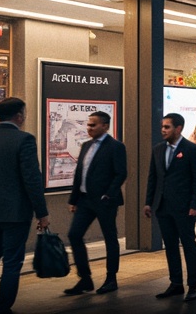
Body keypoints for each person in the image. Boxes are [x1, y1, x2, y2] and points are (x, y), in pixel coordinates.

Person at [0, 97, 50, 314]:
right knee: (12, 261)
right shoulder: (24, 140)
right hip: (15, 214)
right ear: (19, 116)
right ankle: (3, 309)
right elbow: (32, 179)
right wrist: (42, 212)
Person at [65, 110, 127, 296]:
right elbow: (79, 175)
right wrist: (73, 199)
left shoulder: (116, 146)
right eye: (88, 124)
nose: (89, 127)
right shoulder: (86, 146)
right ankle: (85, 278)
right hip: (84, 200)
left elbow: (121, 173)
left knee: (110, 238)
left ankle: (111, 278)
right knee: (74, 235)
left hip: (104, 201)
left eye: (93, 124)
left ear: (105, 126)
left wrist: (108, 194)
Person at [144, 112, 196, 300]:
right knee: (170, 245)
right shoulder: (158, 149)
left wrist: (195, 205)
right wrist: (148, 202)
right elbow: (153, 177)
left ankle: (193, 285)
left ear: (178, 128)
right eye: (162, 126)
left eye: (167, 127)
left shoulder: (192, 150)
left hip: (185, 208)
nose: (163, 130)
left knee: (188, 245)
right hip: (163, 207)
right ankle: (176, 283)